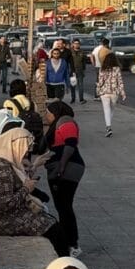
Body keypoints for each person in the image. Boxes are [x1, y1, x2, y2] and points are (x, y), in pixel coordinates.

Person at [0, 127, 74, 257]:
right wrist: (26, 189)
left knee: (50, 221)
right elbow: (5, 205)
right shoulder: (0, 167)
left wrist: (33, 168)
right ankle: (64, 263)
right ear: (15, 146)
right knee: (53, 228)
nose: (25, 155)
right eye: (25, 150)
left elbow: (13, 182)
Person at [41, 101, 84, 256]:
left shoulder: (66, 121)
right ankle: (67, 241)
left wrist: (61, 167)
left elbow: (70, 144)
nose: (46, 115)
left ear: (55, 113)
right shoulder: (54, 125)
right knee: (62, 206)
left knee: (65, 206)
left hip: (68, 170)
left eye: (47, 112)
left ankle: (72, 244)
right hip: (58, 169)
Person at [94, 37, 124, 136]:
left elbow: (100, 81)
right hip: (114, 92)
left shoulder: (102, 69)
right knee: (112, 109)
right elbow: (120, 81)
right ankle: (109, 124)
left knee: (106, 109)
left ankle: (108, 127)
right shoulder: (117, 69)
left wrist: (98, 91)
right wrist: (123, 93)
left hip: (104, 92)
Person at [68, 38, 89, 104]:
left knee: (81, 85)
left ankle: (81, 99)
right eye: (75, 43)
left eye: (78, 44)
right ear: (73, 44)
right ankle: (73, 99)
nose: (76, 45)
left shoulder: (82, 52)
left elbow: (84, 61)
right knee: (73, 85)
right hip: (72, 70)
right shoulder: (70, 52)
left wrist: (84, 70)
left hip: (80, 70)